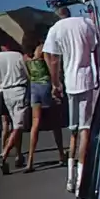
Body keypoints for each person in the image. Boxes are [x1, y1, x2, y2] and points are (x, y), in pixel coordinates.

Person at [43, 6, 100, 192]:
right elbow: (96, 48)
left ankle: (70, 177)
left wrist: (55, 83)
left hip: (70, 82)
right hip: (87, 79)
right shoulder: (86, 23)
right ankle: (81, 178)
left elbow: (52, 58)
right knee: (84, 130)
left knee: (73, 131)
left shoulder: (56, 29)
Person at [23, 33, 64, 171]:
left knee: (35, 123)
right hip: (45, 85)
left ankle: (30, 160)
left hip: (34, 88)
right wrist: (56, 84)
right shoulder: (42, 49)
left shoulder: (26, 56)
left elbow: (29, 75)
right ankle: (61, 154)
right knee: (55, 123)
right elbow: (50, 66)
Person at [0, 35, 29, 171]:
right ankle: (6, 152)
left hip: (5, 92)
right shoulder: (17, 56)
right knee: (18, 125)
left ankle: (18, 155)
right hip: (19, 89)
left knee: (13, 124)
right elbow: (27, 74)